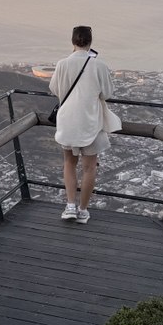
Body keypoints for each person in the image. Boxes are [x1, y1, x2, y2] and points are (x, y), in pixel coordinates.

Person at [47, 25, 116, 224]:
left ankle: (69, 206)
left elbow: (55, 89)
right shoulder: (99, 65)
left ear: (73, 42)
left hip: (68, 120)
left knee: (69, 163)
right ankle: (83, 210)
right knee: (89, 168)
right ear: (90, 42)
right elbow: (107, 93)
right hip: (90, 121)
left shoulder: (62, 64)